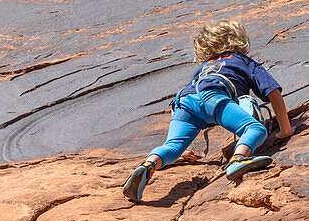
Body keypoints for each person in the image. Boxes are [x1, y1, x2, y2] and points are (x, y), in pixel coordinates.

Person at [122, 20, 293, 203]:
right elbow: (273, 92)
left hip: (183, 101)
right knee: (256, 130)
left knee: (172, 146)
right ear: (239, 39)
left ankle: (148, 165)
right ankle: (237, 161)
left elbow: (184, 102)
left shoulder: (202, 67)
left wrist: (183, 152)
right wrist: (285, 131)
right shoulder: (244, 61)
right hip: (214, 96)